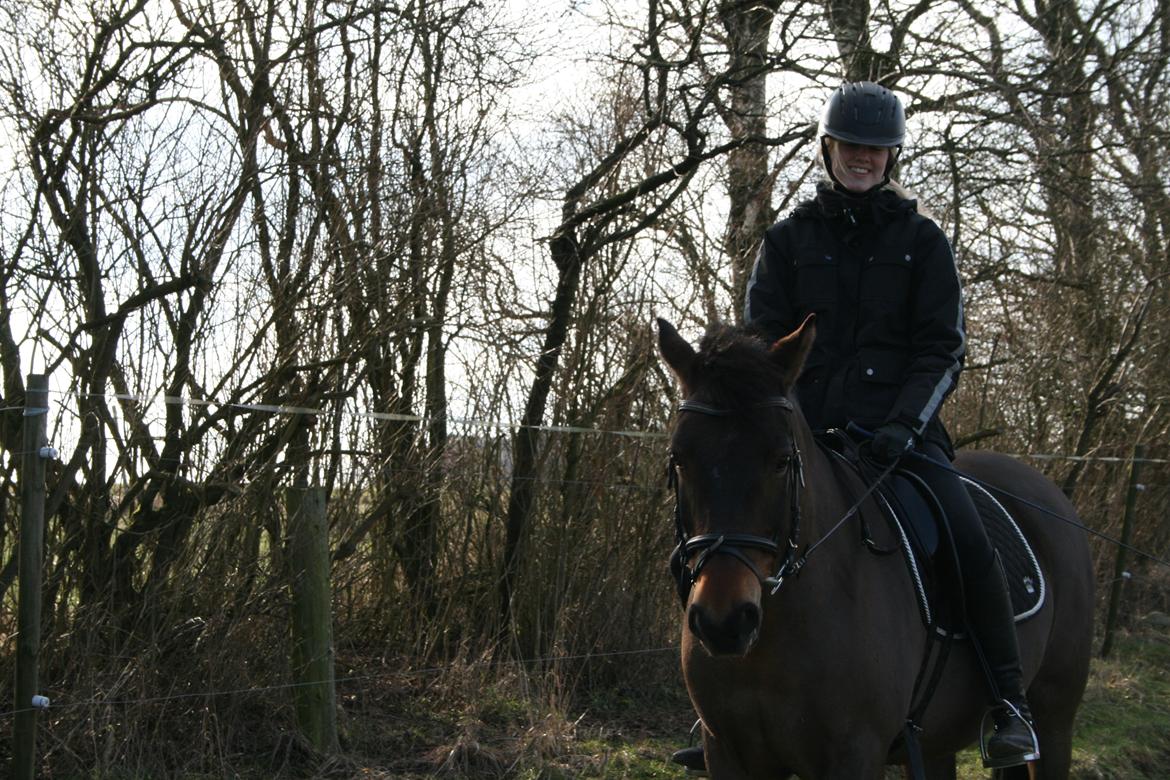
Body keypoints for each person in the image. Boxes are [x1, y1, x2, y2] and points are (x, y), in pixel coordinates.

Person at [671, 82, 1038, 773]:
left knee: (963, 535)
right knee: (718, 529)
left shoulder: (923, 242)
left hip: (901, 441)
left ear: (891, 156)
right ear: (829, 149)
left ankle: (1009, 703)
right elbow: (759, 348)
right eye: (850, 146)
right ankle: (715, 704)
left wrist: (905, 424)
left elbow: (943, 347)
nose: (862, 158)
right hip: (804, 437)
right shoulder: (786, 241)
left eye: (875, 149)